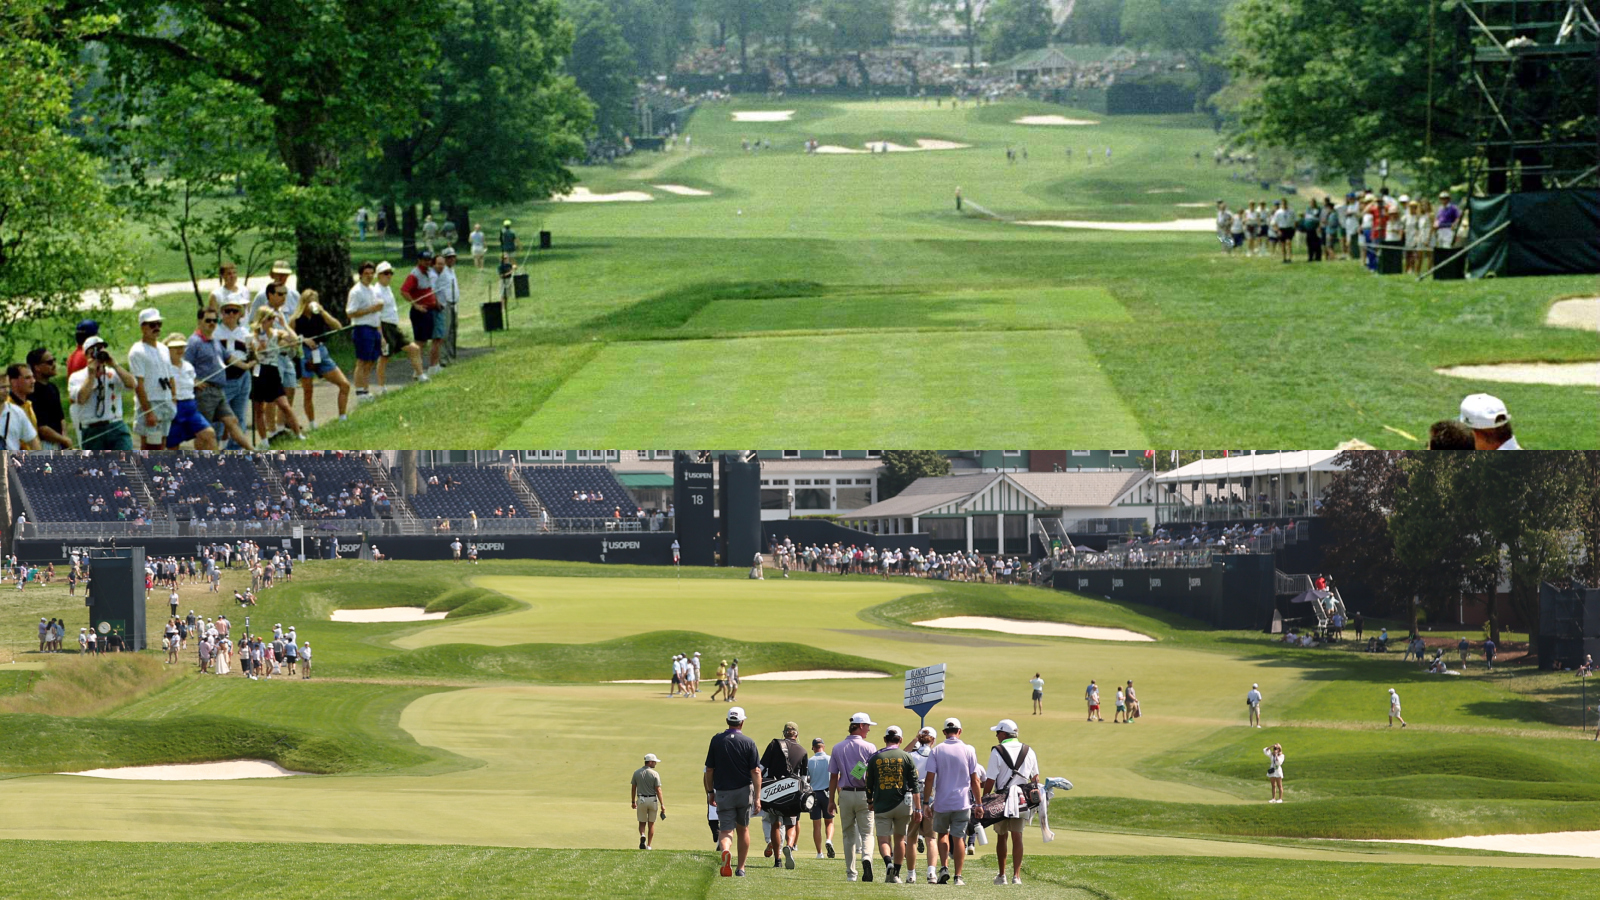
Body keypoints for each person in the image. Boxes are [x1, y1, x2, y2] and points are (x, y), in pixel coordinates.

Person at [921, 717, 981, 886]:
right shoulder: (969, 750)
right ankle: (958, 876)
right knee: (959, 838)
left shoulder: (937, 750)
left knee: (942, 834)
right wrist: (979, 803)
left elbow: (929, 779)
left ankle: (944, 867)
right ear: (959, 731)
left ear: (944, 733)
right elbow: (975, 779)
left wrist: (926, 803)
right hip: (962, 802)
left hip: (942, 802)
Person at [704, 706, 761, 878]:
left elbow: (709, 770)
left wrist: (710, 791)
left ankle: (726, 851)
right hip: (744, 791)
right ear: (742, 722)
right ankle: (741, 868)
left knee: (726, 829)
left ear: (727, 721)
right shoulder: (749, 742)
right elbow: (756, 772)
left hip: (723, 791)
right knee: (743, 829)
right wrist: (758, 798)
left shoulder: (716, 740)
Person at [185, 308, 253, 449]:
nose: (212, 323)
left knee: (232, 421)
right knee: (204, 431)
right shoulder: (194, 342)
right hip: (204, 393)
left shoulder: (214, 340)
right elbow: (184, 365)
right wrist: (194, 381)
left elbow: (228, 357)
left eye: (215, 320)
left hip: (219, 390)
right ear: (199, 321)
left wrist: (246, 366)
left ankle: (252, 451)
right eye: (208, 320)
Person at [984, 719, 1040, 886]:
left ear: (1004, 734)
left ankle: (1002, 875)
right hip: (1022, 799)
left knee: (1002, 836)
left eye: (997, 732)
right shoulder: (1029, 751)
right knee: (1018, 836)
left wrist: (984, 798)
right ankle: (1017, 876)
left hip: (1001, 798)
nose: (996, 735)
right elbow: (1035, 778)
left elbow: (990, 779)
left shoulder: (997, 751)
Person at [865, 724, 921, 884]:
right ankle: (896, 874)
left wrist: (870, 801)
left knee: (883, 840)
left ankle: (888, 863)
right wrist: (918, 808)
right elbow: (915, 785)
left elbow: (869, 783)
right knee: (900, 839)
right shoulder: (906, 756)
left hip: (882, 803)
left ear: (885, 739)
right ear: (900, 739)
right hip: (903, 804)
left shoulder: (876, 757)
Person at [828, 711, 879, 882]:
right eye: (868, 726)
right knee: (867, 833)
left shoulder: (837, 747)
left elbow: (834, 776)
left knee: (848, 834)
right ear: (861, 726)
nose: (869, 730)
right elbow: (873, 775)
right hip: (864, 794)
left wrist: (831, 801)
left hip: (845, 794)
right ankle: (866, 857)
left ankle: (851, 874)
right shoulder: (870, 747)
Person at [290, 290, 351, 428]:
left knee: (344, 384)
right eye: (310, 301)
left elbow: (338, 326)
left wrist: (323, 312)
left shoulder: (319, 315)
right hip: (305, 354)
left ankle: (342, 417)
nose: (312, 304)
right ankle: (312, 424)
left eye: (315, 300)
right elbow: (289, 338)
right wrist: (303, 340)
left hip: (321, 351)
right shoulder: (296, 319)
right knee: (308, 391)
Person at [127, 308, 177, 449]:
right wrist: (148, 412)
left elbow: (170, 375)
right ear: (143, 327)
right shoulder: (137, 351)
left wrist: (174, 397)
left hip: (165, 400)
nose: (156, 328)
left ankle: (158, 471)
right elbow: (139, 384)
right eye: (152, 324)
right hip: (150, 402)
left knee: (162, 444)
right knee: (150, 446)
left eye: (158, 324)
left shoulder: (163, 348)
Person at [759, 721, 806, 869]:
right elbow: (804, 779)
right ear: (796, 734)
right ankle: (790, 846)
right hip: (792, 791)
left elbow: (761, 767)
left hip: (774, 790)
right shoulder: (803, 751)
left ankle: (777, 860)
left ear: (784, 733)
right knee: (791, 824)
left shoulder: (774, 744)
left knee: (775, 824)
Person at [376, 261, 428, 389]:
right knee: (384, 358)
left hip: (394, 326)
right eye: (386, 273)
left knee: (414, 349)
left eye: (390, 273)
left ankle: (421, 376)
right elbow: (376, 315)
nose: (389, 276)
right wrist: (381, 335)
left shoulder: (387, 289)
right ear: (379, 275)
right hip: (384, 326)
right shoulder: (376, 291)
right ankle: (382, 387)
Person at [162, 333, 218, 450]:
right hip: (174, 409)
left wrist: (196, 383)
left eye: (182, 347)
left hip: (190, 408)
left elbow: (190, 380)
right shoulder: (164, 367)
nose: (180, 350)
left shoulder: (188, 366)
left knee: (209, 433)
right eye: (176, 347)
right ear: (168, 349)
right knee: (173, 445)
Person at [905, 726, 937, 884]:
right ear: (934, 740)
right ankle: (931, 872)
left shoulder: (911, 755)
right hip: (931, 798)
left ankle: (911, 874)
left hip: (913, 798)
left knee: (911, 838)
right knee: (931, 838)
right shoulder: (936, 755)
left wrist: (914, 740)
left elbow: (902, 755)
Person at [24, 348, 70, 448]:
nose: (54, 364)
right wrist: (63, 440)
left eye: (54, 360)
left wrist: (64, 437)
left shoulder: (53, 387)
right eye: (49, 362)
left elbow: (61, 418)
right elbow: (41, 427)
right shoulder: (32, 392)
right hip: (43, 444)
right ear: (37, 368)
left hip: (59, 442)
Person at [806, 737, 836, 859]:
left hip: (814, 795)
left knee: (816, 825)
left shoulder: (809, 761)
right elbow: (836, 777)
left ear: (813, 748)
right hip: (827, 794)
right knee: (829, 822)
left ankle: (819, 853)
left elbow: (806, 780)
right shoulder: (830, 759)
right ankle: (829, 840)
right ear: (823, 746)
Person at [2, 365, 41, 452]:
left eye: (33, 377)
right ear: (13, 382)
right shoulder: (8, 408)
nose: (33, 381)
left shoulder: (27, 404)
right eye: (27, 378)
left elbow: (33, 439)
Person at [431, 249, 459, 371]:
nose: (452, 259)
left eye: (453, 257)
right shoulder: (442, 271)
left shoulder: (452, 270)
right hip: (445, 303)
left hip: (454, 303)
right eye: (449, 257)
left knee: (453, 331)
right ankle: (443, 359)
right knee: (445, 332)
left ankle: (452, 356)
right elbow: (435, 287)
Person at [631, 753, 666, 850]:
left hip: (641, 800)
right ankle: (649, 845)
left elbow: (633, 788)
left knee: (642, 822)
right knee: (651, 823)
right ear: (650, 762)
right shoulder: (655, 774)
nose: (655, 764)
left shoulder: (636, 772)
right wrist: (662, 804)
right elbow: (658, 790)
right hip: (652, 800)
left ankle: (642, 835)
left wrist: (633, 801)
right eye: (654, 762)